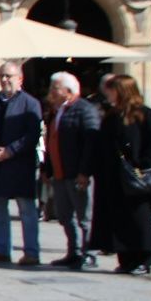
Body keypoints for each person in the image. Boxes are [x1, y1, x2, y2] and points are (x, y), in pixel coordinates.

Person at [90, 75, 151, 275]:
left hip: (135, 176)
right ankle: (125, 258)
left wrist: (142, 165)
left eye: (112, 90)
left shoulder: (144, 114)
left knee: (139, 218)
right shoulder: (112, 115)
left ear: (122, 90)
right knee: (118, 218)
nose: (108, 94)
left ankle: (143, 259)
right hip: (113, 176)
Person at [0, 60, 43, 266]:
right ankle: (1, 250)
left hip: (19, 165)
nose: (4, 80)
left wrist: (10, 151)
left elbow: (32, 135)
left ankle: (31, 252)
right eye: (2, 76)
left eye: (9, 76)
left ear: (20, 79)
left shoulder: (30, 104)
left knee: (26, 209)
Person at [44, 71, 101, 269]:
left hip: (77, 173)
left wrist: (84, 171)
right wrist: (48, 168)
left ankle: (89, 253)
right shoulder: (57, 111)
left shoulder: (84, 109)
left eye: (55, 88)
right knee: (65, 216)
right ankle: (73, 251)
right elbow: (51, 140)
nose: (51, 92)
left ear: (68, 90)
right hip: (60, 173)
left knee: (84, 216)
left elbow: (91, 143)